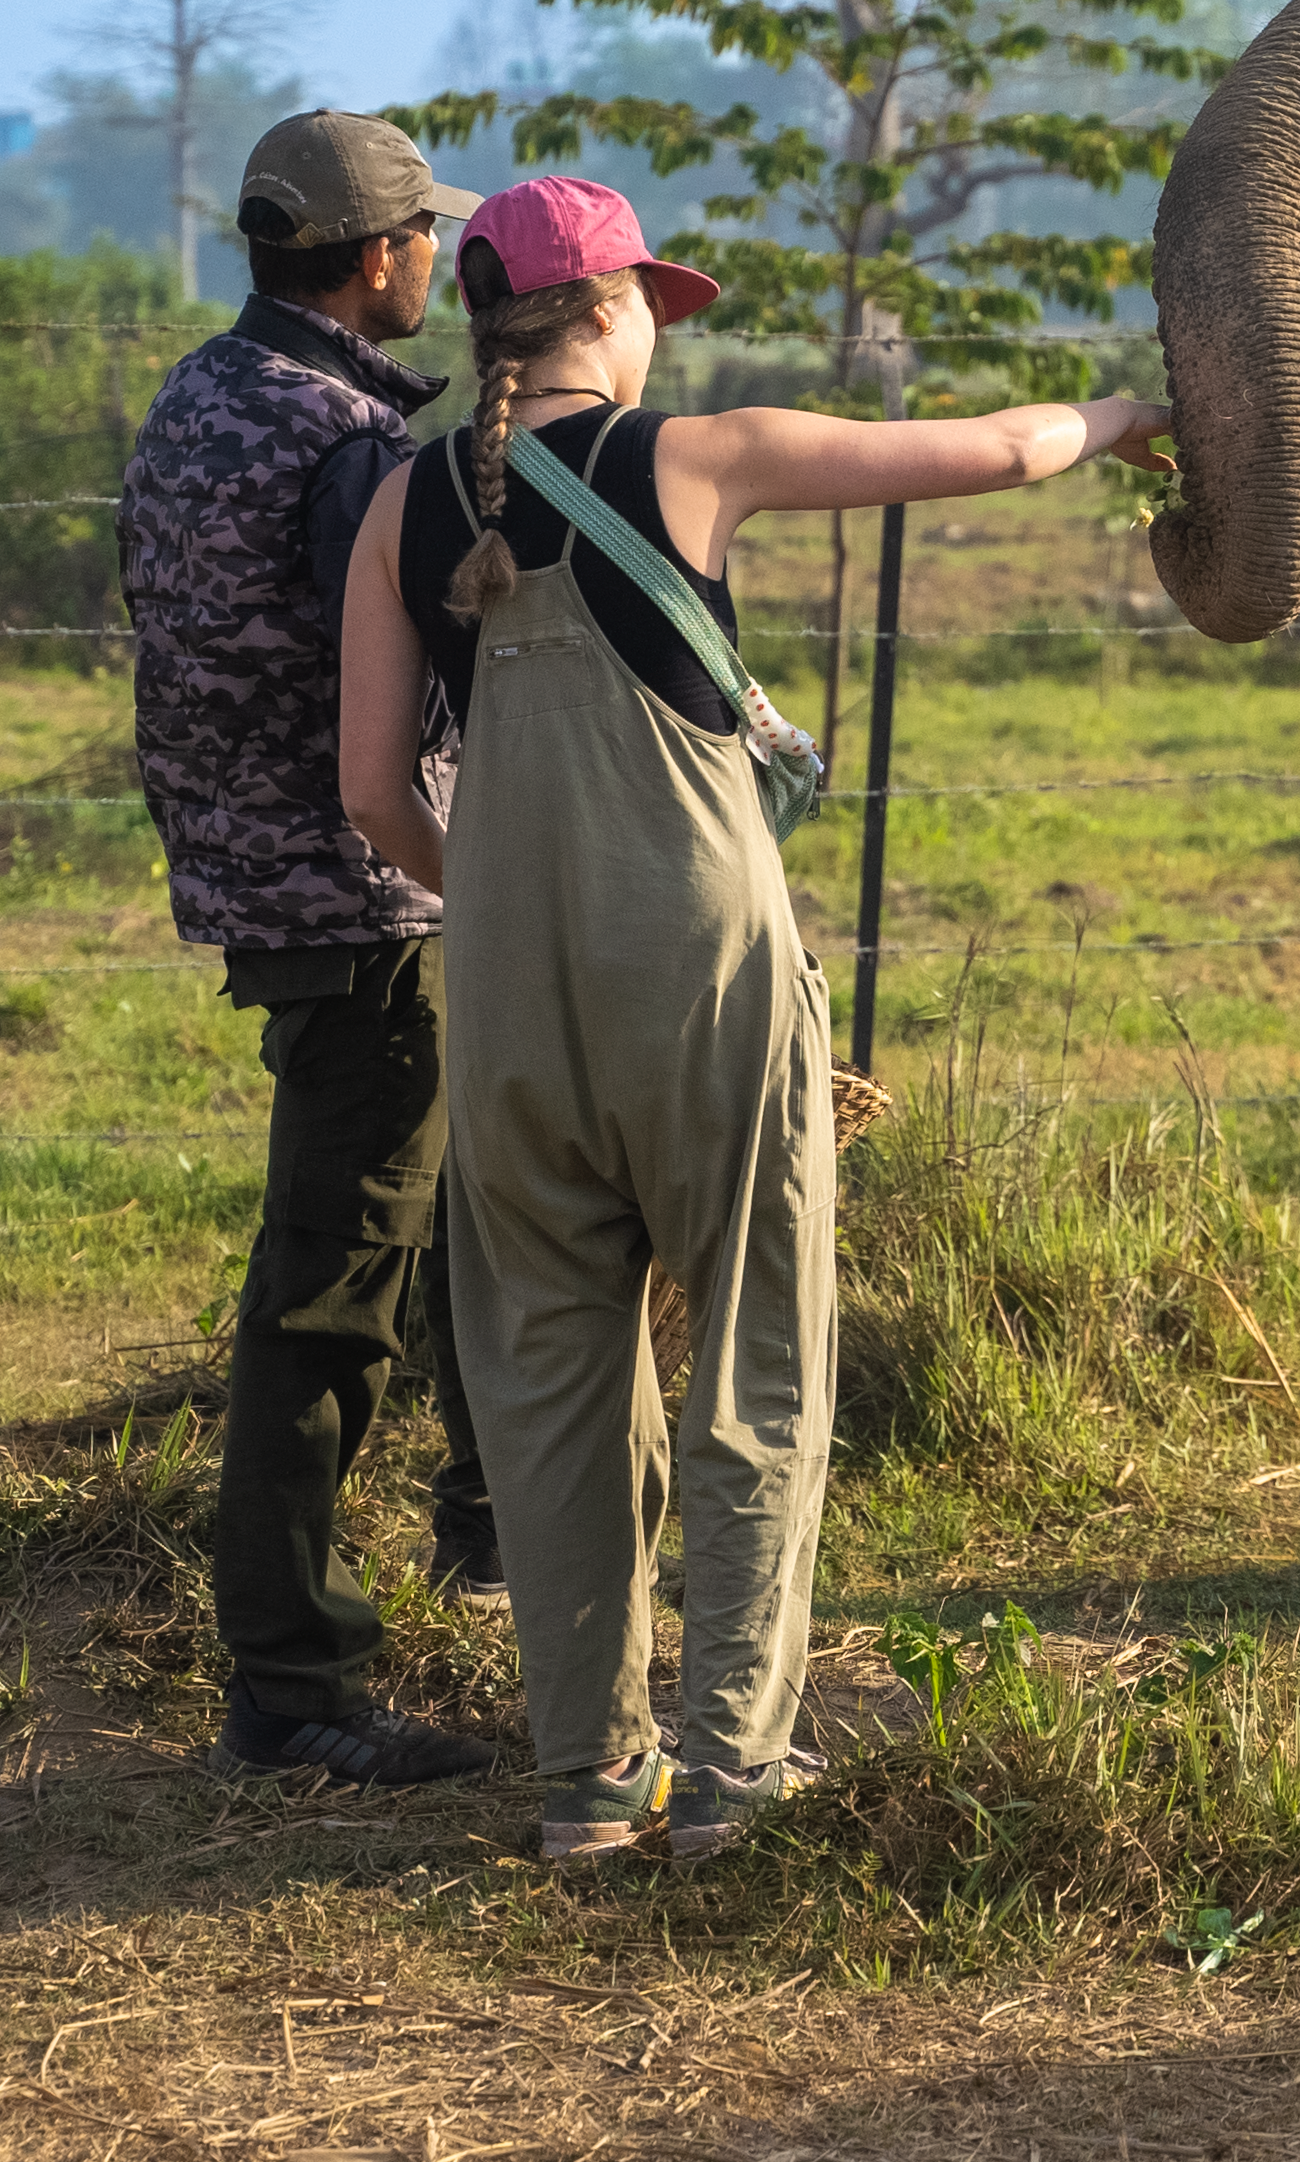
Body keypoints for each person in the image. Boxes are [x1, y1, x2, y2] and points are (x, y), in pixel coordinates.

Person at [338, 178, 1175, 1868]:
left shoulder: (400, 509)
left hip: (504, 992)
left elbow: (371, 796)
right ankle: (732, 1774)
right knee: (752, 1356)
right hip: (702, 972)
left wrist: (502, 896)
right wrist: (1131, 414)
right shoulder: (699, 459)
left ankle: (585, 1788)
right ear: (606, 308)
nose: (662, 328)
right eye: (652, 300)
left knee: (550, 1384)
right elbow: (1004, 452)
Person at [117, 106, 508, 1790]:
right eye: (426, 237)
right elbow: (431, 688)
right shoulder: (352, 451)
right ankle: (292, 1682)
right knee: (332, 1293)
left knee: (463, 1209)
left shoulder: (202, 399)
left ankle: (490, 1533)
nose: (438, 257)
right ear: (377, 263)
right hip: (375, 900)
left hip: (268, 892)